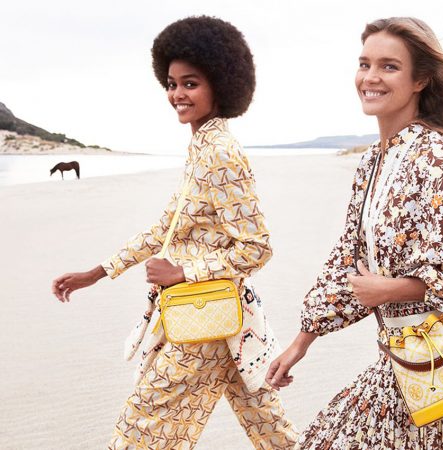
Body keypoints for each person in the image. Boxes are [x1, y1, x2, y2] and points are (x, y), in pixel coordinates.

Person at [266, 17, 443, 449]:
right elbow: (348, 262)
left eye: (389, 66)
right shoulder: (371, 163)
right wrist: (302, 341)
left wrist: (391, 289)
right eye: (365, 64)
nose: (370, 77)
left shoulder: (434, 156)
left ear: (420, 81)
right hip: (400, 362)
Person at [51, 16, 298, 449]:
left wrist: (183, 272)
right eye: (171, 84)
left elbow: (257, 248)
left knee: (142, 427)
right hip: (222, 318)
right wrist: (97, 273)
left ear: (221, 84)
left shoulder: (220, 152)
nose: (177, 94)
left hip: (202, 318)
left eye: (190, 84)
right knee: (270, 428)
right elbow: (165, 229)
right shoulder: (202, 146)